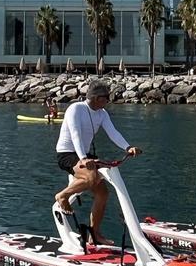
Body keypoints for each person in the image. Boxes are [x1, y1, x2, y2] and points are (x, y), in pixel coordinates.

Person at [54, 80, 141, 246]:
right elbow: (75, 134)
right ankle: (62, 196)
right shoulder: (76, 109)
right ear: (95, 98)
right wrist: (83, 158)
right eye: (105, 98)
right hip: (67, 153)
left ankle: (94, 235)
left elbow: (113, 132)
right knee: (91, 177)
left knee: (103, 193)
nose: (108, 101)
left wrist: (128, 147)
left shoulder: (102, 113)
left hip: (85, 155)